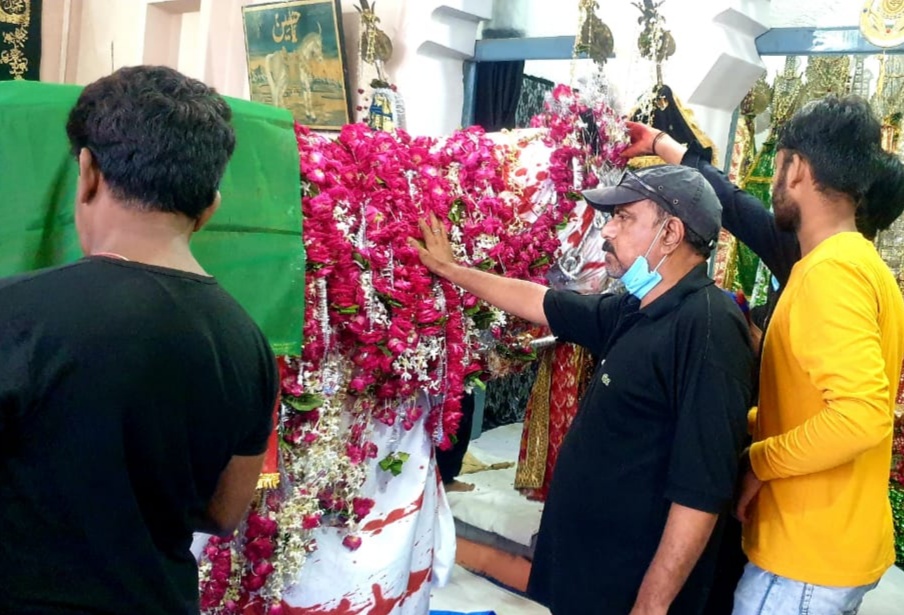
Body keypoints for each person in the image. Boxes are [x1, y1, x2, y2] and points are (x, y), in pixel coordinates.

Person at [411, 164, 754, 614]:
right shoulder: (637, 308)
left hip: (628, 583)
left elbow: (700, 492)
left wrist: (651, 605)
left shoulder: (707, 328)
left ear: (670, 233)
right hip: (590, 567)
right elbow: (542, 302)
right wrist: (452, 271)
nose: (607, 230)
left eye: (624, 217)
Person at [0, 66, 278, 615]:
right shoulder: (246, 342)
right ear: (210, 207)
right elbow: (224, 513)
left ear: (88, 172)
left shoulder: (14, 311)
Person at [625, 95, 904, 614]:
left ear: (796, 169)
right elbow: (820, 404)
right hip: (823, 545)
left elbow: (860, 416)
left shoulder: (832, 273)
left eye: (776, 168)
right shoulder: (853, 263)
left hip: (806, 558)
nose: (774, 182)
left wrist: (758, 461)